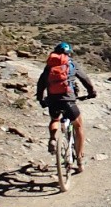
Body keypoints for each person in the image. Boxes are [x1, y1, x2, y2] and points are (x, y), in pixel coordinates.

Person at [36, 41, 92, 171]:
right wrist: (91, 92)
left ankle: (52, 139)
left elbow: (41, 83)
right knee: (78, 127)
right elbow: (85, 79)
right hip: (68, 100)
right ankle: (79, 159)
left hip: (53, 100)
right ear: (69, 53)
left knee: (55, 119)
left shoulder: (49, 66)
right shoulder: (71, 64)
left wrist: (40, 98)